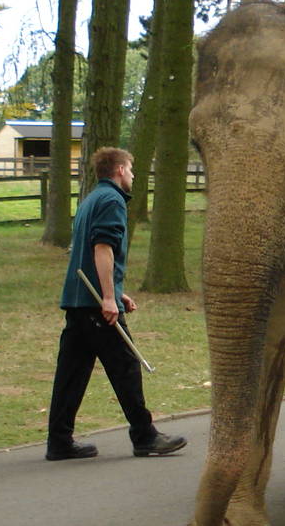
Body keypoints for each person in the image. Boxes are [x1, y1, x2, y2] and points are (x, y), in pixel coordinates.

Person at [45, 146, 186, 461]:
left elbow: (85, 251)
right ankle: (145, 436)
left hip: (79, 301)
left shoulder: (92, 199)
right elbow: (102, 248)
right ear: (120, 169)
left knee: (72, 372)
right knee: (125, 366)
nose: (133, 176)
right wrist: (108, 297)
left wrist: (115, 290)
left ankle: (59, 440)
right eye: (132, 170)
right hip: (95, 305)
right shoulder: (112, 200)